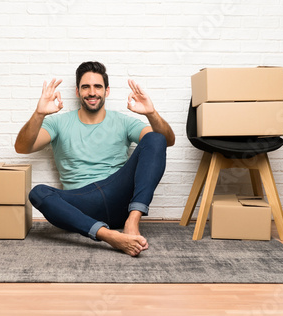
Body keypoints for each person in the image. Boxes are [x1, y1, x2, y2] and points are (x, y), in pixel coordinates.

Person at [15, 61, 175, 256]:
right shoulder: (58, 122)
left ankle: (132, 221)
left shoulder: (122, 121)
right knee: (38, 193)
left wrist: (152, 113)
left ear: (106, 91)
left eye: (97, 86)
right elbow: (22, 147)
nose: (92, 92)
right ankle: (112, 237)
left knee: (155, 137)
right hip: (81, 205)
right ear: (77, 91)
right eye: (86, 87)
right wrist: (39, 114)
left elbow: (164, 142)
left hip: (118, 196)